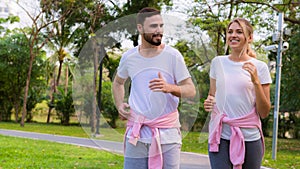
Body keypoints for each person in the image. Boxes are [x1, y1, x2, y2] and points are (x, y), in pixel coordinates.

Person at [112, 7, 196, 169]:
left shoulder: (173, 55)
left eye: (161, 25)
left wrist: (170, 87)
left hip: (168, 135)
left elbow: (190, 90)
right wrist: (119, 104)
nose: (159, 30)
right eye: (153, 26)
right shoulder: (129, 57)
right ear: (140, 28)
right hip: (136, 134)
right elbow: (118, 83)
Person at [203, 18, 272, 169]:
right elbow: (212, 95)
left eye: (239, 32)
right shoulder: (217, 62)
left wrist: (256, 81)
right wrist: (208, 102)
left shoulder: (260, 67)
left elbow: (264, 112)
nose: (233, 35)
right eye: (230, 32)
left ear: (250, 37)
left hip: (250, 137)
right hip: (220, 135)